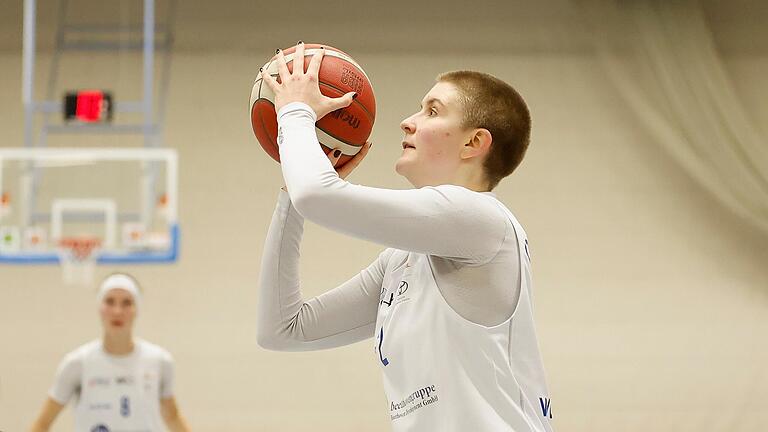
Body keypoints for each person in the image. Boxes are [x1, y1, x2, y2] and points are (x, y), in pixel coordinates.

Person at [257, 42, 553, 431]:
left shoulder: (482, 219)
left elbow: (318, 195)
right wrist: (292, 201)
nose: (408, 121)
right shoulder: (402, 260)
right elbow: (282, 329)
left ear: (473, 143)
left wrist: (296, 112)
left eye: (433, 111)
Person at [29, 273, 191, 432]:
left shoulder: (160, 361)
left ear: (137, 308)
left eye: (127, 303)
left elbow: (172, 416)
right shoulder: (77, 363)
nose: (117, 311)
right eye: (110, 301)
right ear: (100, 307)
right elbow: (42, 423)